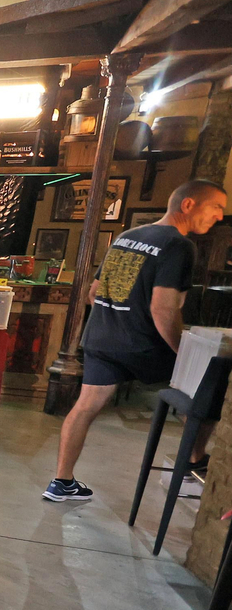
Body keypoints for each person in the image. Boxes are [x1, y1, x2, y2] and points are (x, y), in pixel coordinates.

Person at [45, 179, 228, 502]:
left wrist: (117, 318)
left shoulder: (128, 237)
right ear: (188, 205)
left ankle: (62, 482)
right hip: (143, 343)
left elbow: (93, 291)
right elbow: (162, 309)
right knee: (206, 393)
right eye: (216, 207)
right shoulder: (178, 245)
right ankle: (191, 469)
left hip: (102, 337)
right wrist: (183, 353)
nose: (219, 216)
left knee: (85, 407)